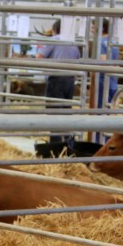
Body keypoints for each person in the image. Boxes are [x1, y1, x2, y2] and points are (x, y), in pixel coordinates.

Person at [37, 19, 82, 156]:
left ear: (55, 30)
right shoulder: (74, 43)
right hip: (69, 81)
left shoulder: (54, 40)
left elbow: (39, 57)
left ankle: (55, 149)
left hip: (56, 79)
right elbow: (78, 63)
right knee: (66, 113)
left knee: (54, 114)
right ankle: (68, 145)